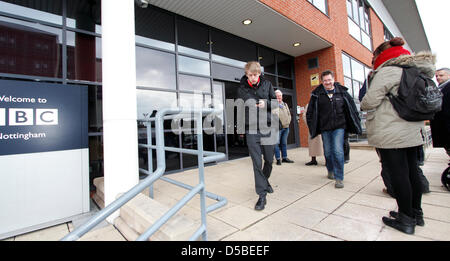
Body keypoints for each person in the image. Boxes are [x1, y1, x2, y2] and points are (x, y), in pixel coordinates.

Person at [361, 37, 435, 234]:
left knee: (399, 175)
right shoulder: (413, 71)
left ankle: (405, 218)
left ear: (381, 55)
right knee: (412, 172)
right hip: (413, 131)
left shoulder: (387, 72)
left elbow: (368, 101)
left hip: (392, 132)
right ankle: (416, 213)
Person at [306, 70, 362, 189]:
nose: (327, 82)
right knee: (327, 152)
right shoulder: (317, 94)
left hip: (339, 127)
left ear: (333, 79)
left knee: (337, 151)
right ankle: (330, 169)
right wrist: (312, 126)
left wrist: (355, 122)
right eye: (325, 80)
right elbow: (310, 112)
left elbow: (352, 108)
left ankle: (339, 178)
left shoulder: (342, 92)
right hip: (325, 128)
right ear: (322, 81)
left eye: (329, 80)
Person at [237, 61, 277, 211]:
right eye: (250, 75)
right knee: (256, 162)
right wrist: (240, 129)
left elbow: (275, 103)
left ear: (259, 74)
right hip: (251, 128)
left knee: (269, 160)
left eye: (255, 75)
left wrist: (265, 104)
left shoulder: (267, 84)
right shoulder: (241, 89)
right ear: (246, 74)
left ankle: (265, 181)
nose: (253, 78)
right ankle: (262, 195)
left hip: (267, 126)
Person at [430, 68, 450, 156]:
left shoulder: (447, 88)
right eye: (436, 76)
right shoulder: (440, 88)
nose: (438, 77)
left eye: (441, 75)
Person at [274, 90, 294, 165]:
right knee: (276, 144)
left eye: (280, 96)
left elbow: (289, 114)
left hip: (286, 127)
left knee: (284, 143)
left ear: (282, 96)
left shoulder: (285, 104)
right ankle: (278, 159)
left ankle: (284, 157)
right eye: (277, 96)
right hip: (277, 128)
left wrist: (288, 121)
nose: (279, 97)